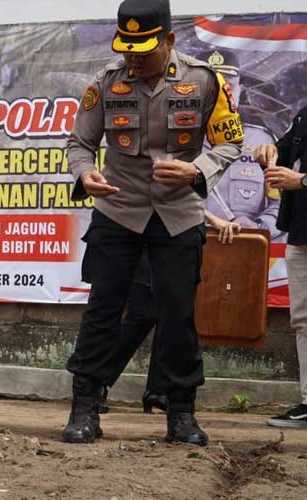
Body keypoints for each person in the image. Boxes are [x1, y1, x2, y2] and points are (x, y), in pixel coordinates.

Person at [63, 0, 243, 446]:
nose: (134, 59)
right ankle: (85, 406)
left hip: (178, 214)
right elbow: (79, 143)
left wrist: (196, 170)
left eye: (143, 49)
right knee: (103, 310)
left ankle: (180, 412)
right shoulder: (105, 84)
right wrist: (85, 175)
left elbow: (229, 143)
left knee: (178, 312)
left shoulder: (205, 81)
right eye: (127, 49)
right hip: (117, 211)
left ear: (169, 40)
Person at [103, 213, 240, 415]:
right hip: (141, 237)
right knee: (140, 315)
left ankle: (158, 390)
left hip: (173, 241)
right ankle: (98, 382)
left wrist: (210, 219)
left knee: (171, 314)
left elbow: (183, 197)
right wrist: (212, 219)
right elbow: (163, 193)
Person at [198, 49, 284, 242]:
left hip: (247, 249)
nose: (219, 95)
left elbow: (281, 202)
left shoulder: (263, 141)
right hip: (187, 248)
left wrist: (259, 226)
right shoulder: (172, 142)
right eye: (207, 88)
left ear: (240, 90)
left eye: (227, 87)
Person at [256, 107, 307, 428]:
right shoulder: (305, 113)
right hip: (301, 233)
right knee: (303, 320)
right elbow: (285, 150)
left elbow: (296, 176)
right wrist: (269, 152)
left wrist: (301, 180)